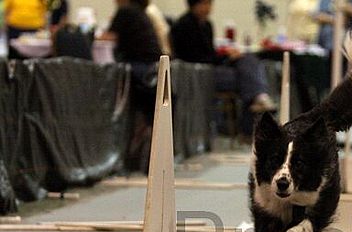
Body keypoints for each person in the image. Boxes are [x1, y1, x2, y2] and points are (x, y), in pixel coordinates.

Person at [170, 0, 275, 137]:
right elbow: (196, 58)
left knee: (247, 59)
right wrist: (226, 57)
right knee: (246, 78)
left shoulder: (207, 25)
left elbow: (211, 54)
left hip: (213, 67)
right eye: (203, 4)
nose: (207, 8)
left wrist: (228, 56)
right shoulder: (183, 25)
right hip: (198, 74)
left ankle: (257, 100)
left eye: (209, 4)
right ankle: (259, 98)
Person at [101, 0, 162, 172]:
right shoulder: (141, 12)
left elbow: (108, 38)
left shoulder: (126, 12)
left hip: (142, 71)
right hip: (154, 69)